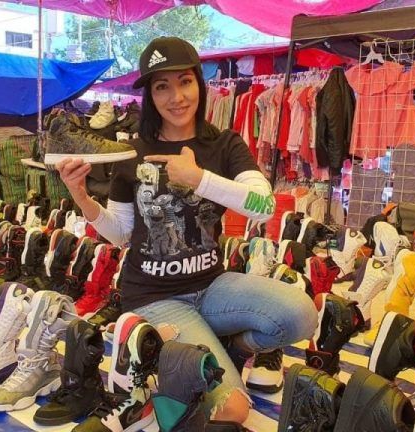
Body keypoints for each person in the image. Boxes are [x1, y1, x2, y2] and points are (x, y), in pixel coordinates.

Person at [55, 37, 318, 424]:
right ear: (150, 95)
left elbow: (263, 206)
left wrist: (198, 179)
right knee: (232, 410)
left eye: (185, 82)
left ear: (199, 82)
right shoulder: (131, 152)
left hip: (212, 287)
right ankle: (155, 351)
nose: (176, 97)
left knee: (301, 314)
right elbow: (121, 235)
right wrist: (81, 196)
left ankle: (231, 347)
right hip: (154, 296)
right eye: (162, 86)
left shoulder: (224, 144)